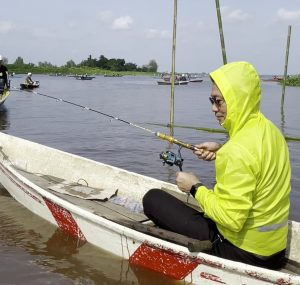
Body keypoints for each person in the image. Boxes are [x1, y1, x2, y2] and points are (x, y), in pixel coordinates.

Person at [143, 61, 291, 269]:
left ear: (238, 100)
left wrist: (195, 187)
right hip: (274, 251)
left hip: (242, 252)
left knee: (153, 198)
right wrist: (221, 150)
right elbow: (257, 162)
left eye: (218, 101)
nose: (213, 108)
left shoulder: (237, 151)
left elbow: (231, 220)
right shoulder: (271, 131)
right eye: (211, 100)